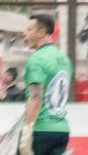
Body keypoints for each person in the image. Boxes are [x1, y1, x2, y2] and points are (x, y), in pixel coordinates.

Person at [21, 14, 72, 155]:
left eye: (29, 29)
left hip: (40, 128)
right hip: (62, 129)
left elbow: (36, 97)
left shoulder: (36, 58)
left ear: (41, 32)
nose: (24, 33)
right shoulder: (64, 59)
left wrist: (27, 129)